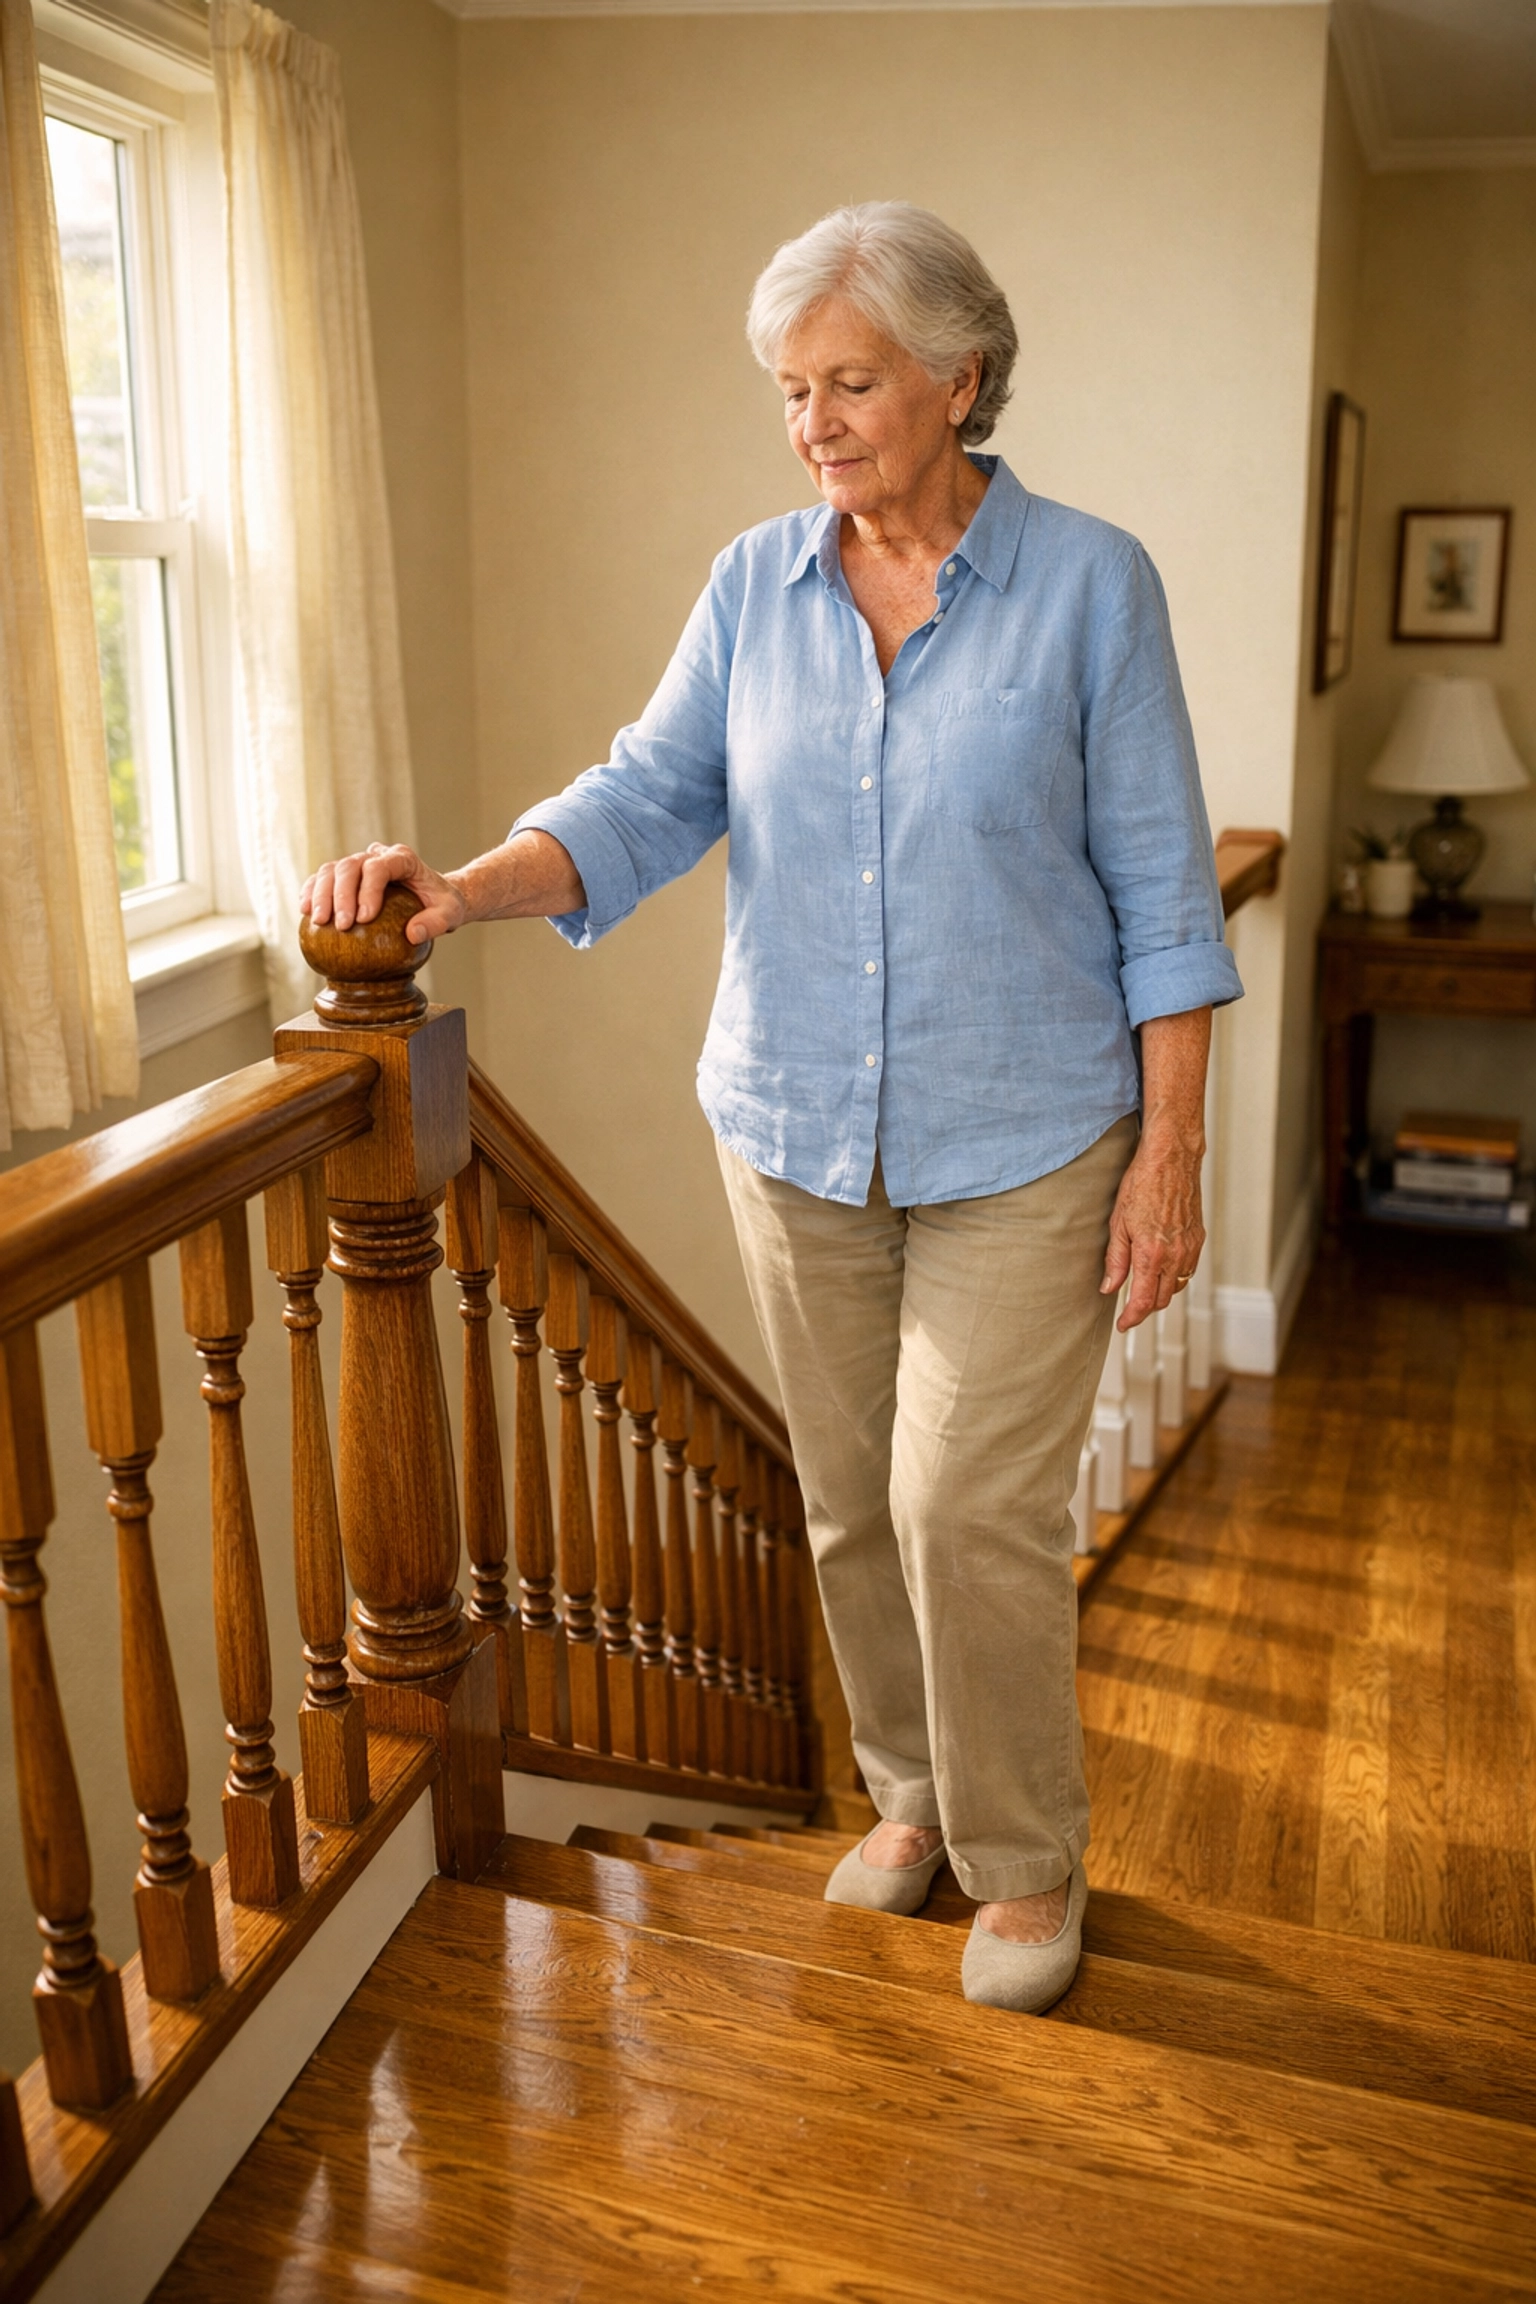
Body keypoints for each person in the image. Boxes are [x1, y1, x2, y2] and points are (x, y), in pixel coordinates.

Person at [304, 201, 1241, 2014]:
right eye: (790, 390)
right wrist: (464, 889)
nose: (813, 422)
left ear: (961, 381)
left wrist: (1172, 1157)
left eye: (852, 381)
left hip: (1030, 1132)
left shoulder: (1091, 585)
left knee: (965, 1498)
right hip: (797, 1121)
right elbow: (650, 793)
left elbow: (1165, 899)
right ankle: (908, 1798)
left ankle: (1027, 1858)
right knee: (845, 1500)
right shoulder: (757, 586)